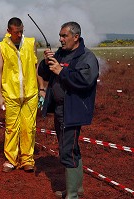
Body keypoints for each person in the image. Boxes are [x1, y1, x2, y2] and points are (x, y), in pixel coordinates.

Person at [38, 22, 99, 198]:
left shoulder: (86, 57)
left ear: (76, 37)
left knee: (67, 151)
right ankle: (76, 189)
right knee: (71, 148)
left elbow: (84, 81)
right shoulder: (61, 54)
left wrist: (61, 71)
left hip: (72, 110)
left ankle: (72, 196)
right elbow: (45, 73)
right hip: (60, 109)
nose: (61, 39)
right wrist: (47, 62)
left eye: (64, 36)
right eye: (60, 36)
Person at [0, 17, 45, 173]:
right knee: (11, 128)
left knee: (29, 127)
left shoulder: (31, 43)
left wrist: (41, 87)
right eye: (16, 32)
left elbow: (36, 67)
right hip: (11, 94)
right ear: (9, 31)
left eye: (21, 31)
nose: (19, 34)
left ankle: (27, 160)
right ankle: (11, 160)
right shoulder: (1, 47)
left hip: (30, 93)